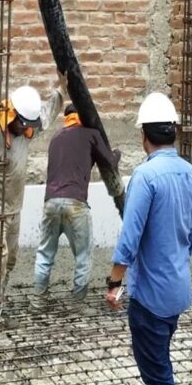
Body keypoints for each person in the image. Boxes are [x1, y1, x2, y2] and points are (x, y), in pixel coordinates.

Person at [105, 91, 192, 385]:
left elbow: (129, 237)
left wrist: (114, 281)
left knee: (157, 371)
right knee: (160, 357)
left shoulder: (146, 176)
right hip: (177, 288)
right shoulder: (190, 173)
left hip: (150, 294)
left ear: (145, 135)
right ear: (174, 132)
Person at [33, 103, 120, 301]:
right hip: (76, 203)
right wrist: (116, 153)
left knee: (45, 254)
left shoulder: (56, 138)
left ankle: (38, 301)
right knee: (83, 257)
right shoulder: (91, 134)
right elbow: (110, 163)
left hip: (51, 202)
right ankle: (77, 303)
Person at [0, 79, 62, 282]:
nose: (25, 129)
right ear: (12, 115)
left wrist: (61, 89)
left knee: (10, 259)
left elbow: (47, 115)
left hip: (15, 207)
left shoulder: (25, 129)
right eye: (21, 124)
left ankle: (0, 296)